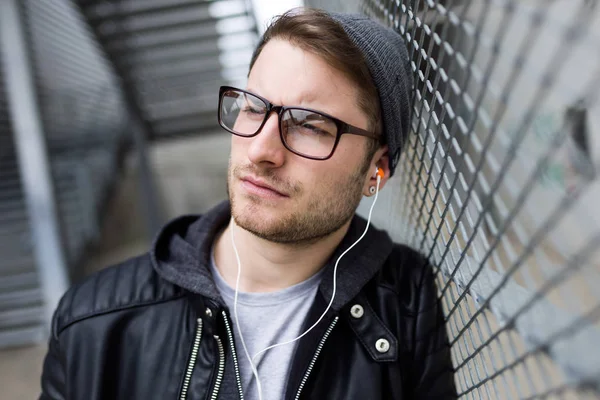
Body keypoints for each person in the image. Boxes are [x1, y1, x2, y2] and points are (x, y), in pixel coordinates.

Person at [40, 7, 456, 400]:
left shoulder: (405, 300)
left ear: (375, 170)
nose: (261, 150)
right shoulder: (92, 320)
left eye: (310, 125)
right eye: (253, 107)